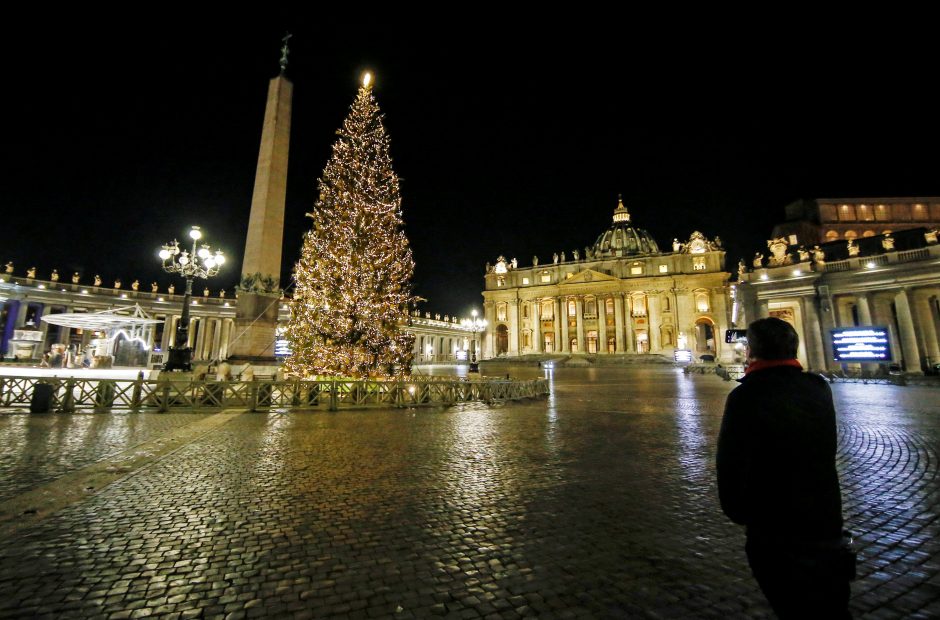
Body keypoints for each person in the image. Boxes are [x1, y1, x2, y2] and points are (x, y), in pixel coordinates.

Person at [717, 317, 853, 618]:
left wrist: (740, 512)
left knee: (792, 606)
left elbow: (731, 466)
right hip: (825, 522)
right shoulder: (818, 387)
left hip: (775, 527)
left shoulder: (746, 396)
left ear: (751, 351)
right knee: (833, 607)